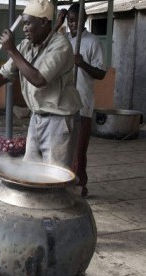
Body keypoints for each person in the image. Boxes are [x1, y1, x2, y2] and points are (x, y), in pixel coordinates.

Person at [0, 0, 82, 170]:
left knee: (56, 175)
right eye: (23, 23)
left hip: (59, 119)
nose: (24, 28)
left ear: (43, 22)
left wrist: (11, 50)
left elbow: (39, 80)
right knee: (30, 172)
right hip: (37, 117)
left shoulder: (60, 45)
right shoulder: (26, 46)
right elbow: (3, 75)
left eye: (28, 23)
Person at [67, 3, 107, 197]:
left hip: (83, 103)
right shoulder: (64, 40)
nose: (72, 24)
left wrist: (82, 63)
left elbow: (101, 73)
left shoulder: (92, 42)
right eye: (69, 21)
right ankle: (64, 183)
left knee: (79, 148)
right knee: (65, 147)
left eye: (75, 20)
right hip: (65, 103)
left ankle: (81, 184)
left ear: (84, 20)